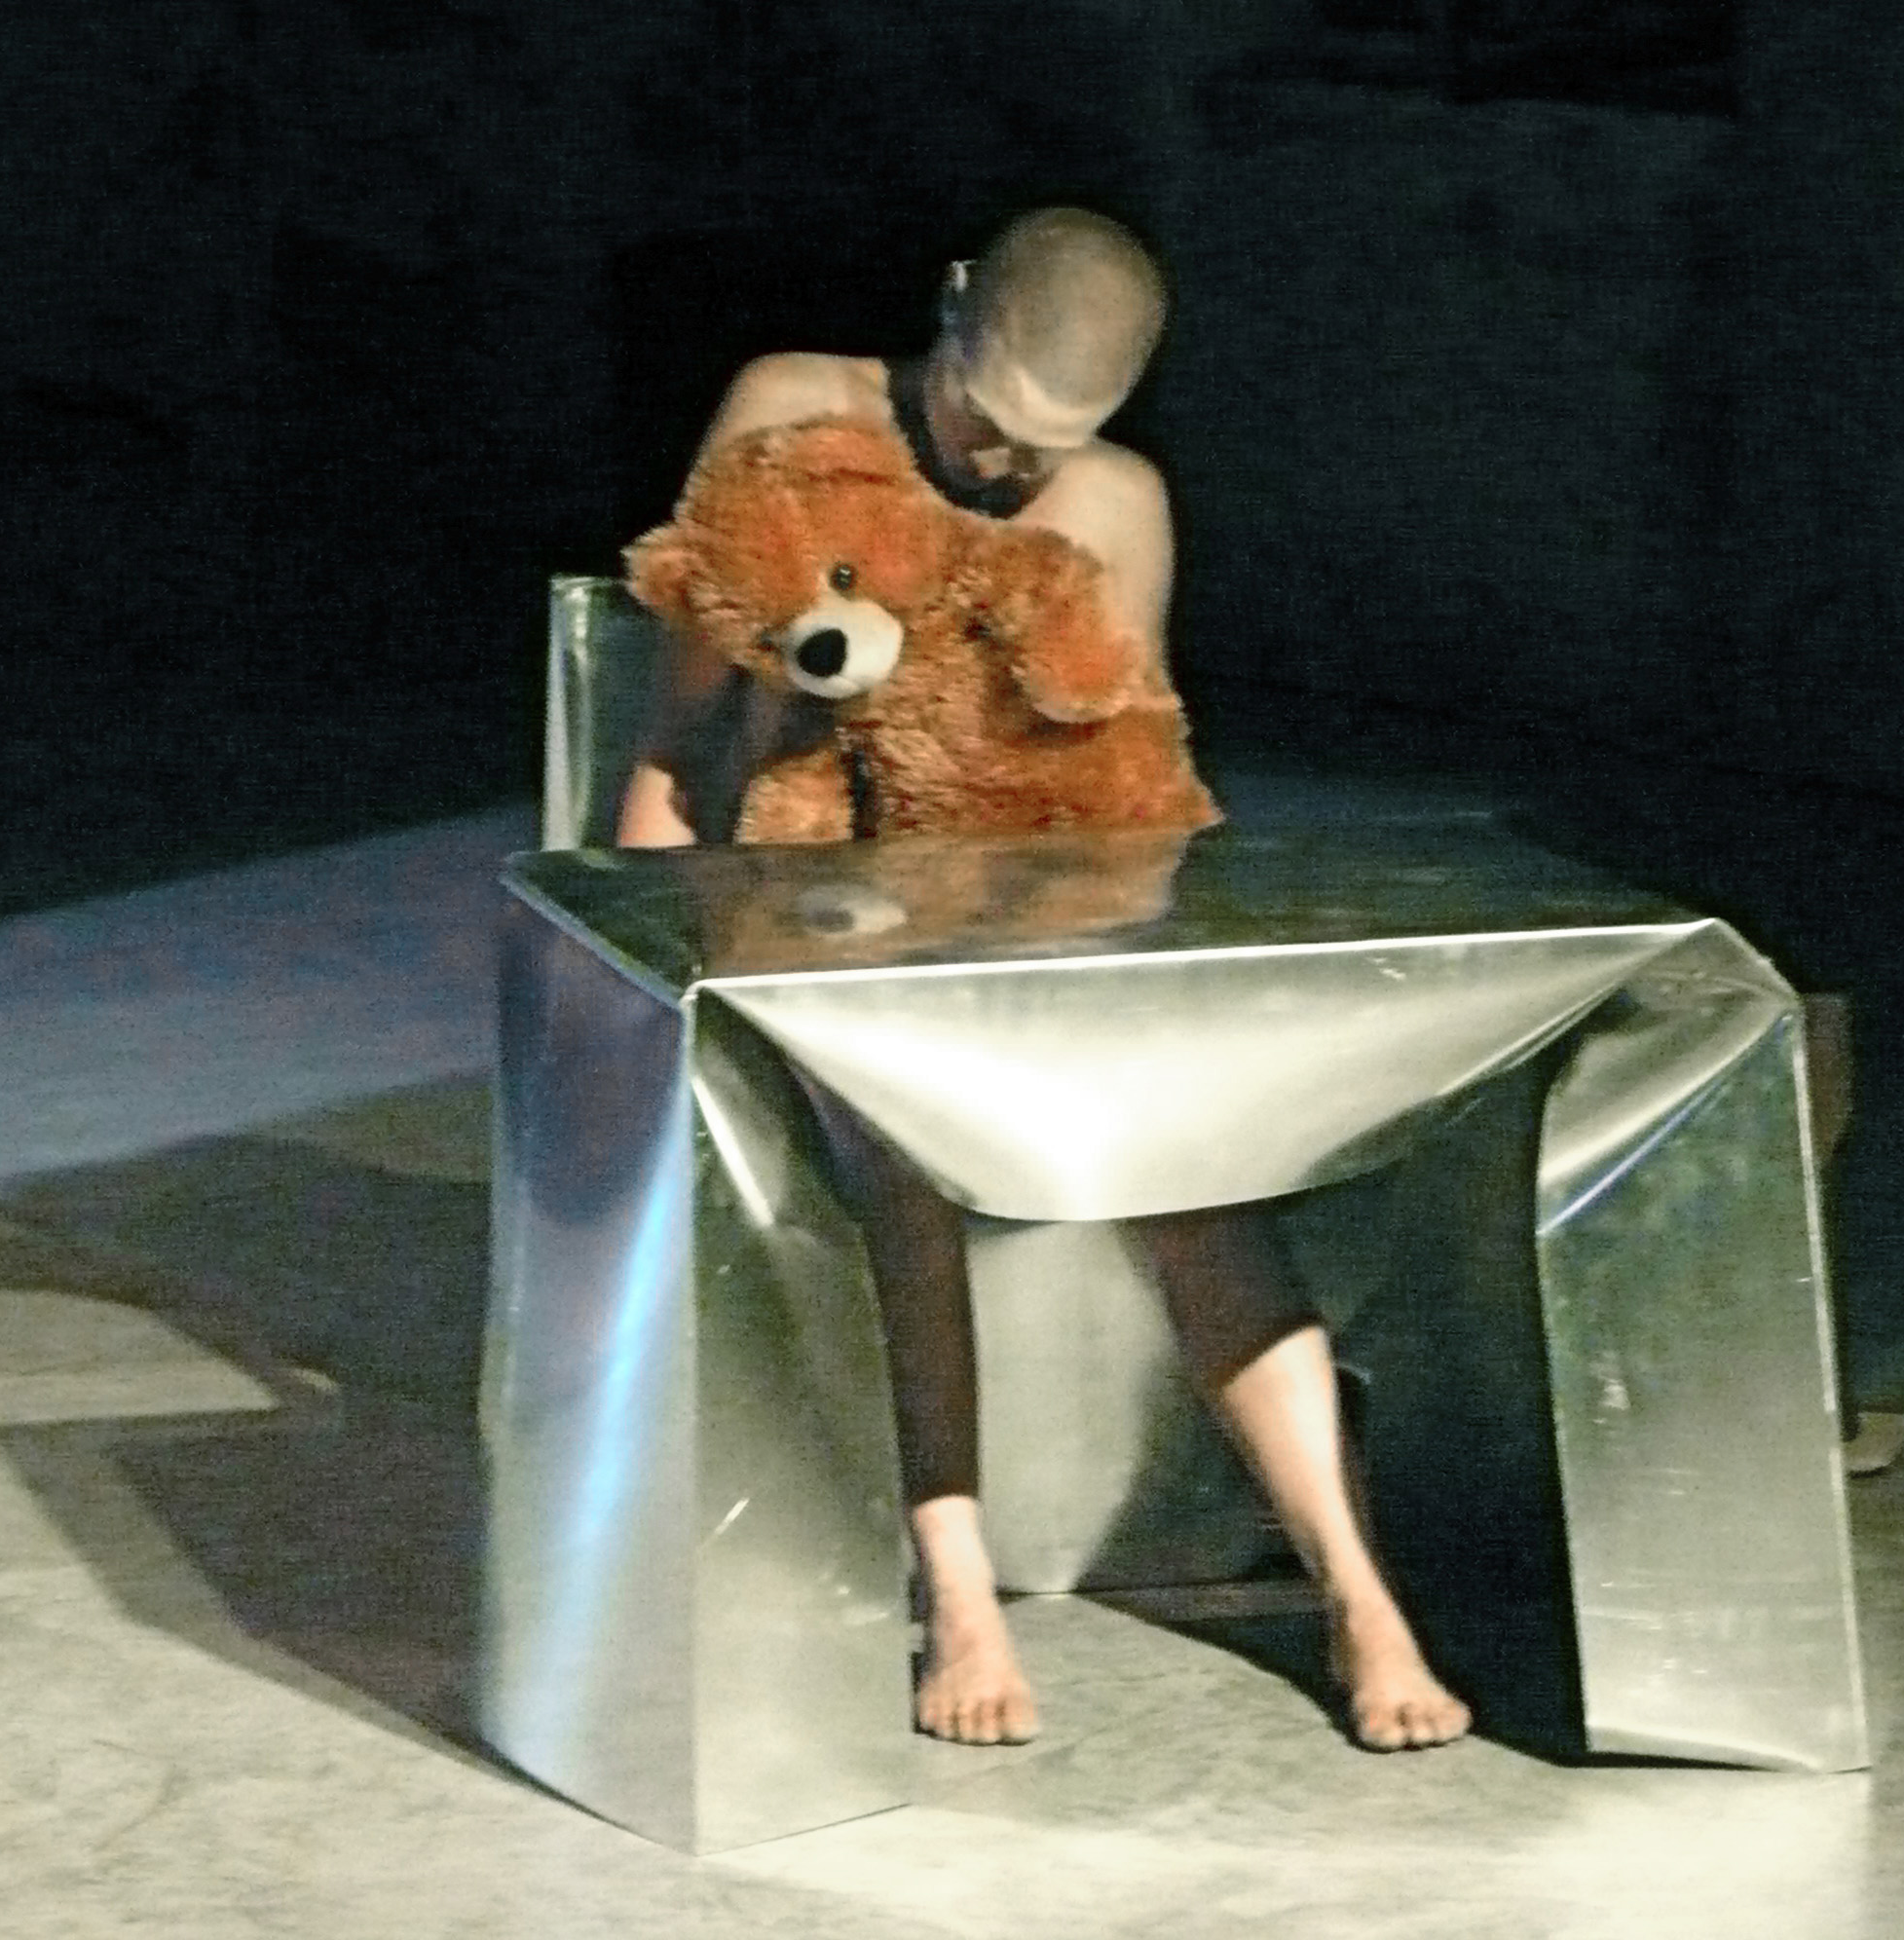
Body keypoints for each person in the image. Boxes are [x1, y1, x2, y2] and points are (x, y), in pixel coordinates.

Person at [618, 207, 1469, 1753]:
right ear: (951, 310)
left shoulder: (1117, 500)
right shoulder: (793, 407)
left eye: (1048, 444)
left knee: (1201, 1191)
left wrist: (1125, 972)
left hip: (1044, 919)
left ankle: (1361, 1594)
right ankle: (961, 1597)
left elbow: (1124, 780)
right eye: (988, 421)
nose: (1006, 467)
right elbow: (682, 721)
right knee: (902, 1187)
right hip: (818, 912)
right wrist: (633, 955)